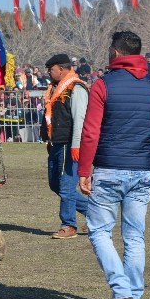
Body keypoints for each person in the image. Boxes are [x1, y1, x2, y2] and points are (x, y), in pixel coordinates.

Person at [78, 31, 150, 299]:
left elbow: (91, 131)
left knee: (99, 231)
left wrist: (84, 170)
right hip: (142, 172)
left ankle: (121, 293)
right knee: (134, 238)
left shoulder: (102, 85)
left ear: (115, 53)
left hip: (107, 169)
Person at [40, 54, 89, 239]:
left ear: (61, 69)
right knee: (55, 185)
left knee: (67, 187)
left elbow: (80, 120)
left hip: (70, 144)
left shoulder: (76, 89)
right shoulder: (55, 88)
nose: (49, 73)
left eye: (51, 69)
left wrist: (76, 145)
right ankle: (94, 213)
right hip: (56, 144)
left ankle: (69, 225)